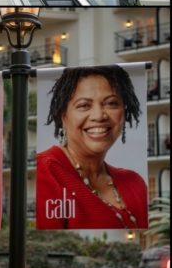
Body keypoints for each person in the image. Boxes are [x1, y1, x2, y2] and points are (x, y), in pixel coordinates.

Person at [37, 65, 148, 229]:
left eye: (111, 103)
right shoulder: (45, 172)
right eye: (84, 105)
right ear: (64, 117)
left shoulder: (134, 182)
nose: (99, 116)